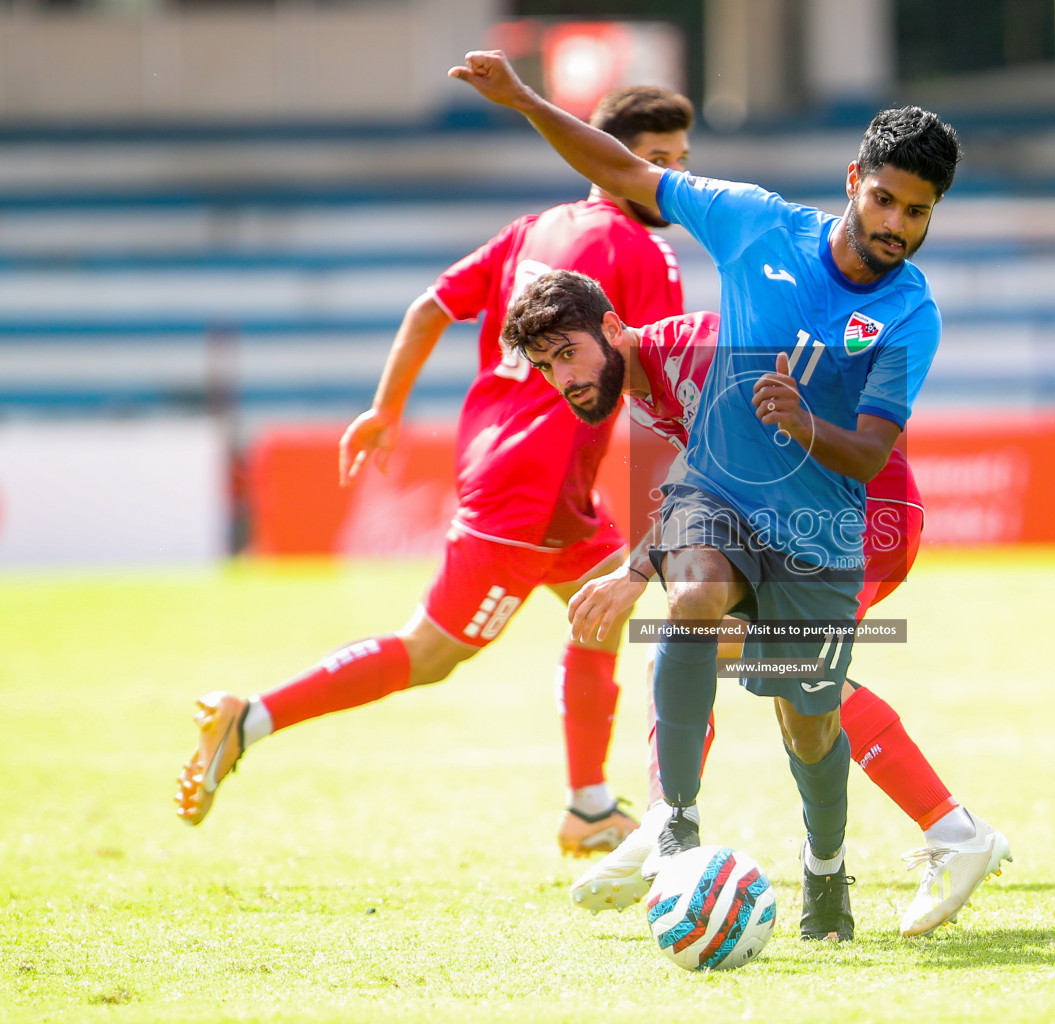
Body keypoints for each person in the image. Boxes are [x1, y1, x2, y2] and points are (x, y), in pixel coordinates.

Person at [451, 50, 970, 942]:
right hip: (752, 510)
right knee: (703, 617)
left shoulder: (907, 313)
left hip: (859, 515)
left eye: (914, 212)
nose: (893, 223)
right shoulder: (753, 229)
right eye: (883, 199)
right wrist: (525, 99)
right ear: (854, 181)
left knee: (798, 697)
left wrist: (798, 433)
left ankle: (908, 842)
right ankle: (673, 821)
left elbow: (867, 450)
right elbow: (624, 169)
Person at [174, 87, 694, 858]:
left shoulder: (533, 229)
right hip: (531, 488)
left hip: (523, 472)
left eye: (681, 161)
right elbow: (656, 369)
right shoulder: (644, 253)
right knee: (430, 654)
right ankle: (248, 717)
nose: (672, 179)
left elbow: (428, 307)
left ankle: (588, 808)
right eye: (656, 162)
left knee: (602, 609)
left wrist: (384, 409)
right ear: (607, 160)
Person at [504, 268, 1011, 937]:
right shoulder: (643, 387)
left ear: (613, 330)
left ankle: (951, 829)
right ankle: (709, 835)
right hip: (790, 523)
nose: (561, 377)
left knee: (773, 668)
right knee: (748, 659)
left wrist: (633, 569)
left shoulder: (700, 351)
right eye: (544, 366)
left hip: (857, 521)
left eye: (567, 353)